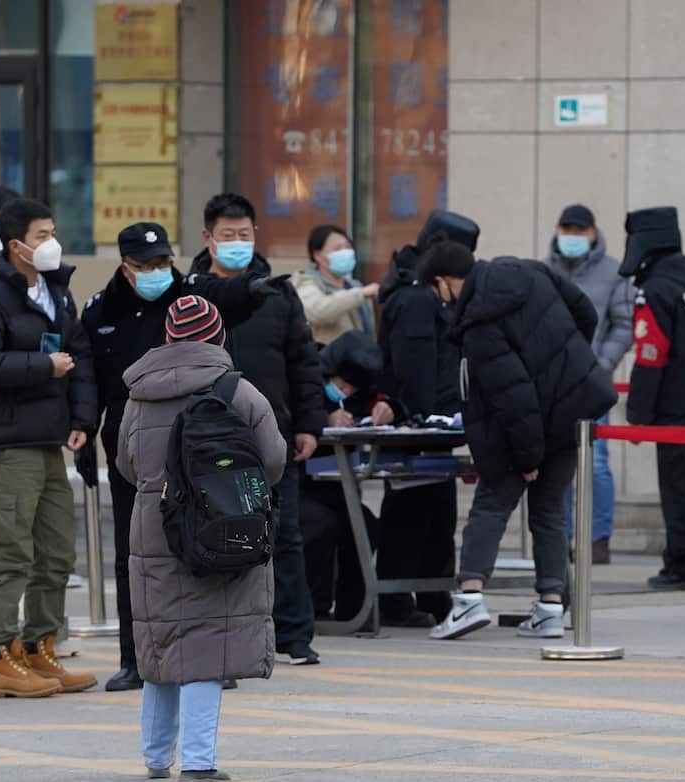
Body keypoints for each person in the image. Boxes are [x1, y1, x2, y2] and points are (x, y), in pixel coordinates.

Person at [80, 221, 285, 691]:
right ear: (125, 267)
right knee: (140, 563)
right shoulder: (99, 311)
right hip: (138, 455)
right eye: (146, 265)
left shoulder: (188, 297)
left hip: (206, 459)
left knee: (213, 551)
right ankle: (138, 660)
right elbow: (87, 377)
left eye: (163, 262)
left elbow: (226, 298)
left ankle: (213, 659)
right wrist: (82, 430)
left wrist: (252, 290)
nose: (158, 272)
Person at [117, 295, 286, 782]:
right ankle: (197, 763)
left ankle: (154, 757)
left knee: (162, 643)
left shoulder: (138, 396)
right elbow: (271, 462)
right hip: (220, 527)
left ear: (167, 339)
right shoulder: (239, 392)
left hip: (155, 527)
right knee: (209, 646)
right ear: (218, 337)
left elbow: (128, 466)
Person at [421, 242, 616, 641]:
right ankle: (549, 606)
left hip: (530, 427)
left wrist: (528, 456)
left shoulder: (479, 324)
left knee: (490, 505)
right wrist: (563, 363)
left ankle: (469, 599)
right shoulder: (529, 270)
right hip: (573, 408)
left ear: (444, 282)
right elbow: (585, 311)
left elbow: (515, 397)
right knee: (549, 512)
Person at [0, 197, 98, 698]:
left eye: (53, 231)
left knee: (56, 553)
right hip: (7, 444)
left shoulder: (56, 292)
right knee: (9, 554)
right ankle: (3, 658)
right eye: (42, 235)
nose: (52, 243)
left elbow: (77, 355)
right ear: (16, 245)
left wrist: (82, 420)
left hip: (48, 442)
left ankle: (42, 648)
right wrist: (43, 368)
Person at [190, 193, 325, 667]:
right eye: (227, 236)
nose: (237, 244)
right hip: (208, 440)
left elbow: (304, 363)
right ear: (208, 238)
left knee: (284, 535)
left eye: (244, 235)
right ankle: (228, 637)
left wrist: (310, 425)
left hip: (274, 433)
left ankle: (295, 635)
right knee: (220, 535)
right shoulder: (191, 295)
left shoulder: (278, 292)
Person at [374, 210, 480, 627]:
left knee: (438, 517)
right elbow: (417, 369)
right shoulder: (416, 298)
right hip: (420, 430)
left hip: (433, 428)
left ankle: (436, 598)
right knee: (413, 517)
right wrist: (429, 420)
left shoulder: (419, 292)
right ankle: (397, 602)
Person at [621, 207, 685, 590]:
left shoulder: (655, 289)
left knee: (680, 488)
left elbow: (650, 354)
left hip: (675, 407)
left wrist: (638, 415)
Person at [545, 204, 632, 565]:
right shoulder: (544, 271)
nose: (573, 236)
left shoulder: (614, 272)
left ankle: (598, 540)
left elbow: (624, 325)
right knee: (558, 463)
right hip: (553, 384)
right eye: (567, 228)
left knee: (596, 464)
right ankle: (560, 538)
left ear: (594, 233)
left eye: (580, 230)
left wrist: (603, 364)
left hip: (594, 384)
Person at [300, 332, 404, 622]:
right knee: (321, 524)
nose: (344, 393)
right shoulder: (305, 382)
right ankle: (314, 608)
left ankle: (354, 608)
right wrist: (324, 418)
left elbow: (394, 406)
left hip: (339, 489)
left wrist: (391, 410)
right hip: (301, 487)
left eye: (351, 388)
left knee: (365, 525)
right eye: (340, 385)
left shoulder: (361, 392)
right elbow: (289, 415)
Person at [294, 224, 380, 346]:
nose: (345, 252)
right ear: (318, 255)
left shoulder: (355, 286)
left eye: (347, 247)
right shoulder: (306, 283)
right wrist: (360, 294)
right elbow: (320, 312)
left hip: (362, 360)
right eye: (337, 249)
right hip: (326, 362)